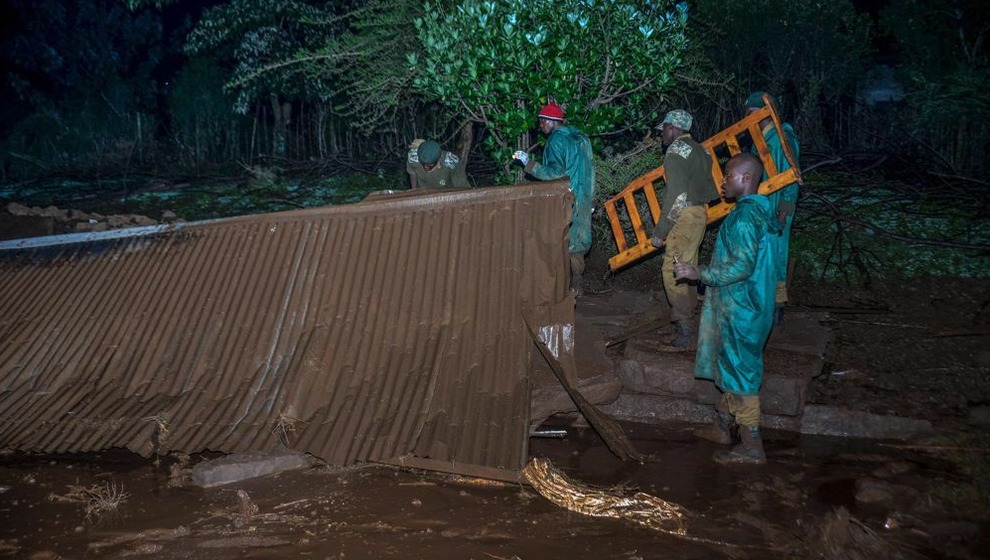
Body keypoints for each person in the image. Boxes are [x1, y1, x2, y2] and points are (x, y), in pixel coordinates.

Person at [674, 153, 782, 465]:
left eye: (728, 175)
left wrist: (700, 273)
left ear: (746, 178)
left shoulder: (745, 218)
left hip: (740, 307)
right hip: (754, 304)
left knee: (742, 373)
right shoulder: (763, 213)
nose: (723, 182)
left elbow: (742, 266)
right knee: (733, 366)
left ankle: (752, 446)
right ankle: (721, 427)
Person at [650, 109, 719, 348]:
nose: (662, 135)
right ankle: (689, 318)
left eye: (664, 130)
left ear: (672, 128)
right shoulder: (702, 150)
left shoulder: (675, 152)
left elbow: (677, 196)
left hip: (685, 215)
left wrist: (661, 230)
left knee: (673, 270)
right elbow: (711, 188)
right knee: (688, 267)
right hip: (700, 213)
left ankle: (684, 328)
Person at [512, 102, 595, 292]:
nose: (540, 126)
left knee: (556, 240)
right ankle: (577, 284)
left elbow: (555, 173)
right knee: (578, 241)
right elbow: (591, 170)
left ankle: (559, 290)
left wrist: (529, 164)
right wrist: (591, 198)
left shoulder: (556, 140)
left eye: (542, 121)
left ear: (551, 121)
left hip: (565, 198)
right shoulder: (581, 138)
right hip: (583, 196)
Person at [745, 92, 801, 325]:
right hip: (760, 208)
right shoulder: (758, 139)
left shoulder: (783, 138)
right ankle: (758, 303)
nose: (748, 117)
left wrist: (785, 211)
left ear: (765, 112)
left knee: (776, 257)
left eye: (751, 112)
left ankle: (777, 307)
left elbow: (792, 178)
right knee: (757, 256)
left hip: (777, 209)